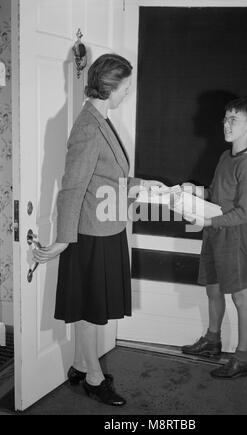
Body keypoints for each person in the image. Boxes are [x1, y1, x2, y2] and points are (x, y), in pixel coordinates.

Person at [33, 53, 164, 405]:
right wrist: (62, 239)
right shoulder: (88, 127)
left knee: (94, 308)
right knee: (91, 312)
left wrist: (142, 183)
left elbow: (108, 176)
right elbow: (73, 186)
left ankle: (78, 366)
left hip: (107, 231)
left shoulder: (100, 119)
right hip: (90, 236)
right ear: (111, 87)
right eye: (126, 87)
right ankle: (93, 377)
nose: (128, 93)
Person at [181, 97, 247, 379]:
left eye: (233, 120)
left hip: (235, 236)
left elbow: (245, 212)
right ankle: (212, 341)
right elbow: (216, 195)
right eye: (225, 119)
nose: (226, 124)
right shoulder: (225, 156)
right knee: (213, 289)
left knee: (241, 296)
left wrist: (208, 220)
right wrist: (191, 193)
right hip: (214, 232)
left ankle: (243, 358)